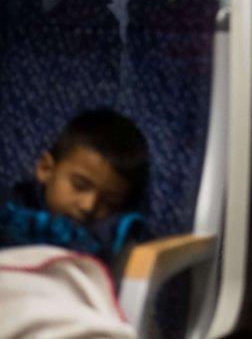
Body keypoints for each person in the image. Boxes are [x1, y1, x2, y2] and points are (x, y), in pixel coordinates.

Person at [0, 108, 149, 267]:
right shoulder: (8, 207)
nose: (89, 206)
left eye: (109, 201)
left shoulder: (111, 237)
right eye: (79, 186)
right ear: (45, 168)